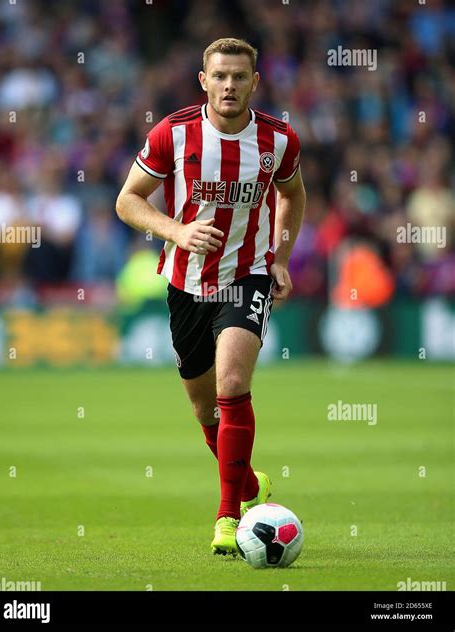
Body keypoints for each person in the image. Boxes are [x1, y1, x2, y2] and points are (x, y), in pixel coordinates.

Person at [116, 38, 306, 555]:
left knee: (232, 380)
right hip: (185, 283)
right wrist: (176, 232)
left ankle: (227, 516)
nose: (229, 85)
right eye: (219, 76)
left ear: (254, 83)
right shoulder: (172, 133)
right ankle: (247, 486)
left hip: (247, 276)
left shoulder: (278, 140)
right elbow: (127, 200)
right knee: (205, 411)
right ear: (204, 80)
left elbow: (292, 194)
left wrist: (282, 258)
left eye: (239, 77)